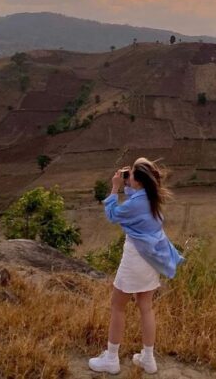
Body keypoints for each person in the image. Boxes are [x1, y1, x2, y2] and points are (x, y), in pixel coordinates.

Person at [88, 157, 185, 375]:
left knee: (117, 305)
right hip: (151, 258)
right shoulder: (151, 196)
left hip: (135, 257)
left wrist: (114, 188)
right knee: (145, 305)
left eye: (131, 174)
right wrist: (128, 185)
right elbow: (134, 200)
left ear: (140, 181)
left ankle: (111, 359)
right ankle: (148, 359)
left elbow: (113, 215)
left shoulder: (136, 203)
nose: (127, 175)